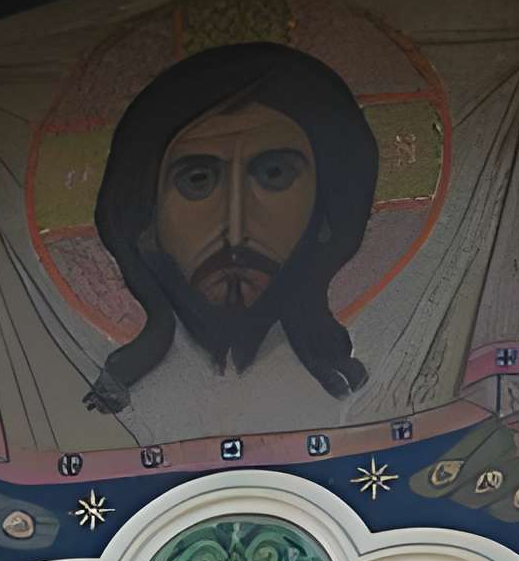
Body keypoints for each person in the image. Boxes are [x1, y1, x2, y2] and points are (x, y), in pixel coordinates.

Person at [85, 40, 382, 415]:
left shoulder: (345, 387)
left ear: (326, 212)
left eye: (275, 174)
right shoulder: (125, 392)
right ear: (146, 222)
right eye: (197, 179)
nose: (237, 232)